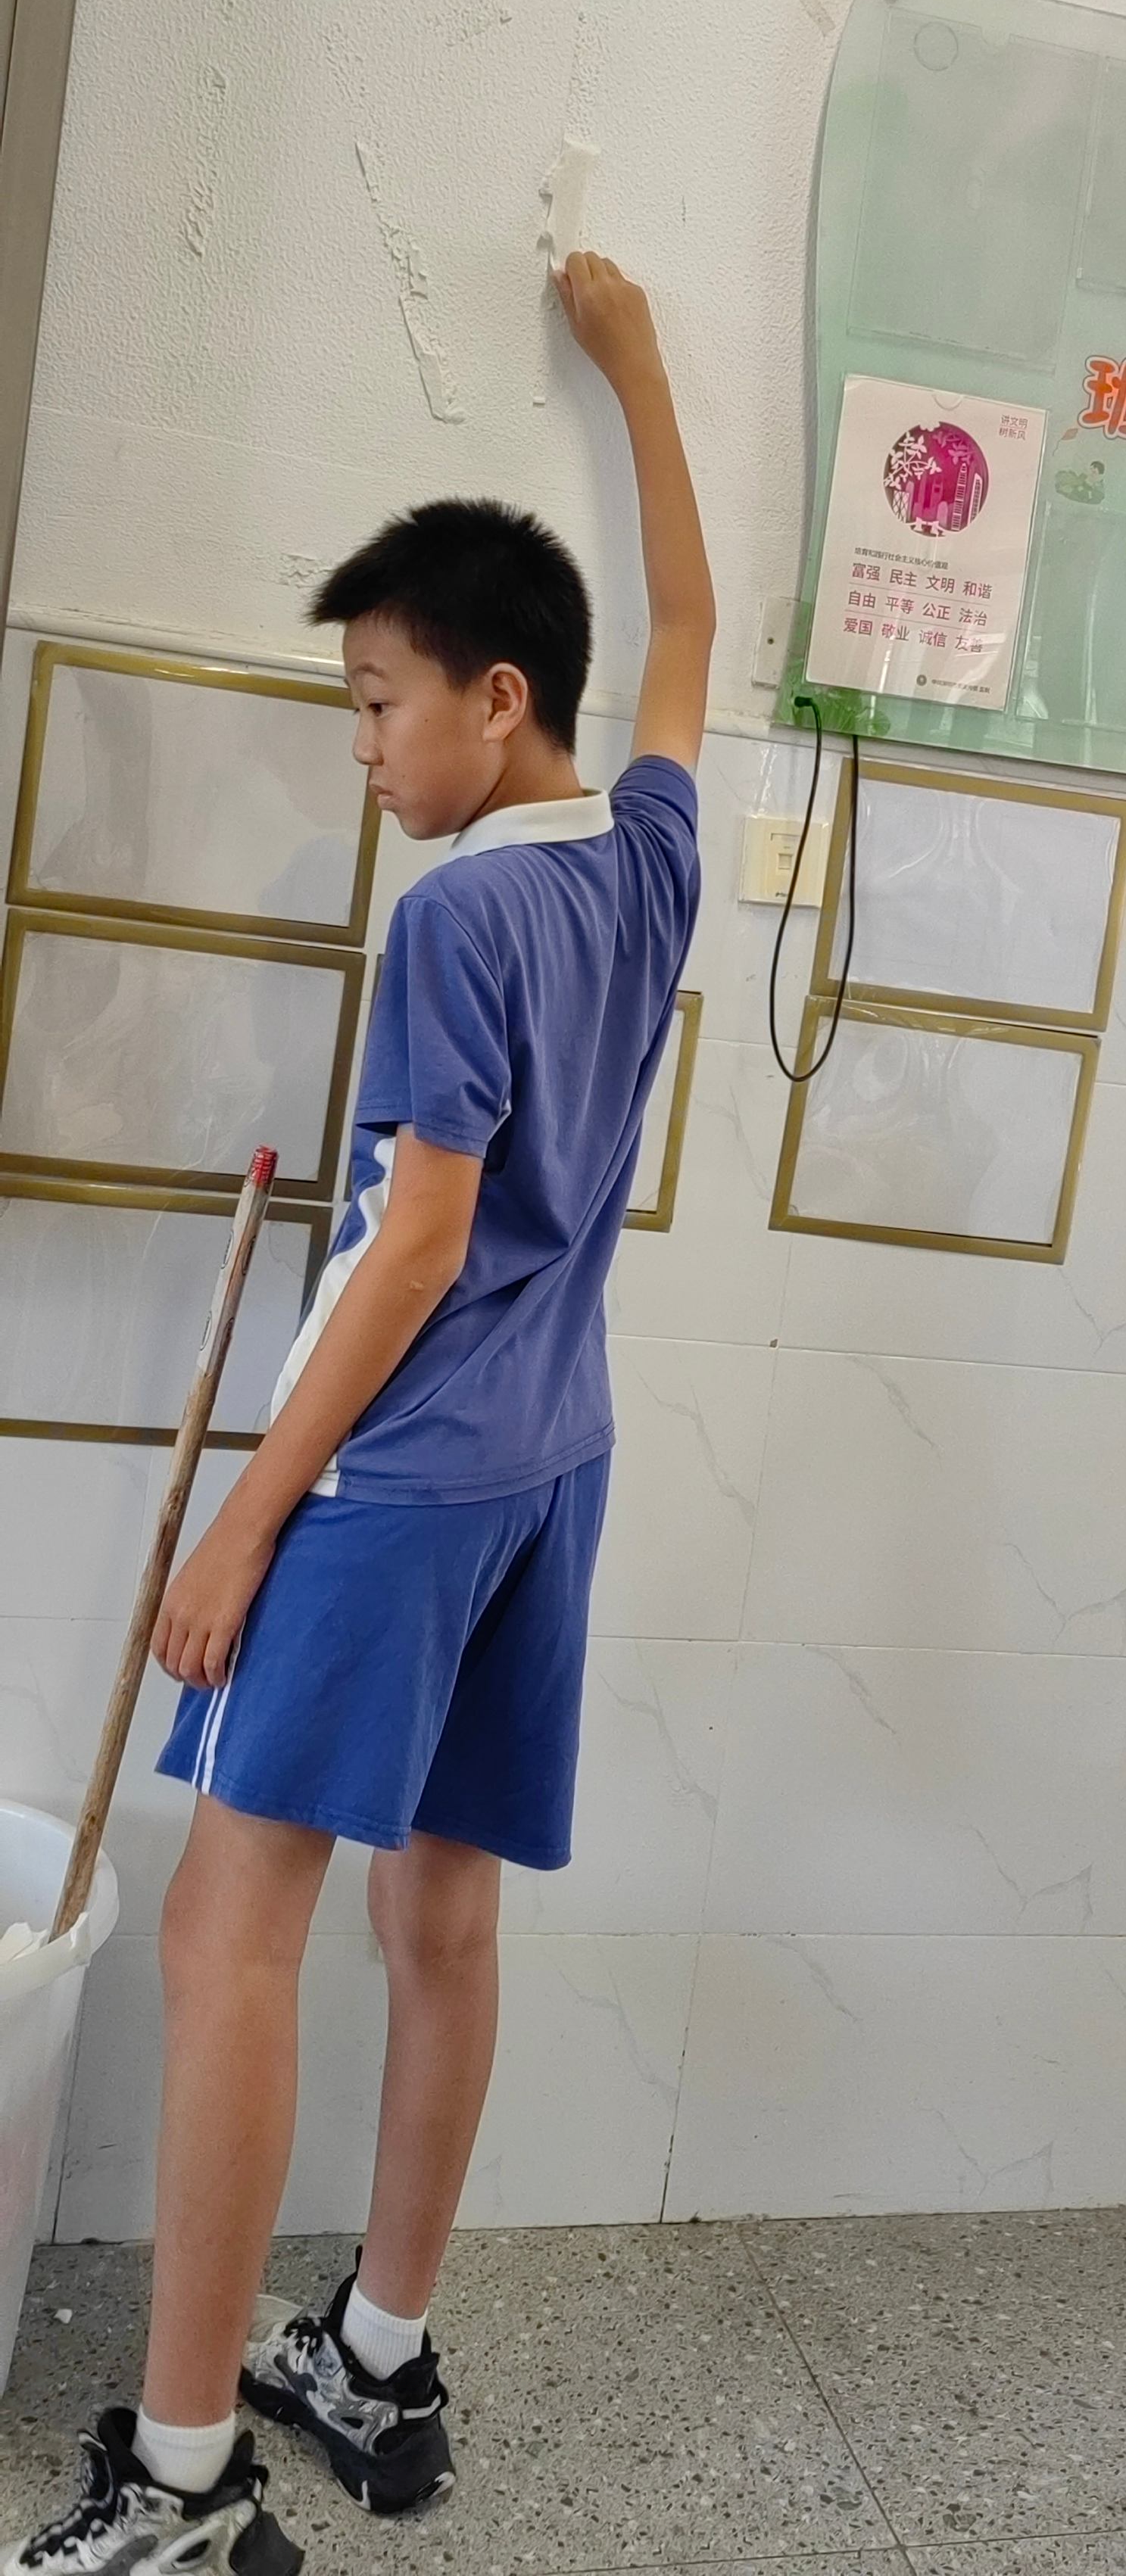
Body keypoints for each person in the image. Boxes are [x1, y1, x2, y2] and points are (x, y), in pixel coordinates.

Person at [8, 255, 714, 2576]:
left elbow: (417, 1246)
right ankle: (380, 2354)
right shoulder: (645, 862)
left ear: (496, 701)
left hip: (401, 1474)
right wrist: (639, 369)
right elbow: (691, 630)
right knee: (447, 1924)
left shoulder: (456, 926)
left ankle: (185, 2480)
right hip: (554, 1463)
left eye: (379, 705)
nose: (362, 751)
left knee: (229, 1932)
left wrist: (241, 1524)